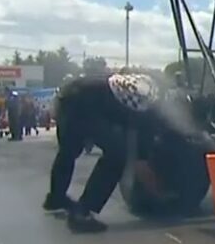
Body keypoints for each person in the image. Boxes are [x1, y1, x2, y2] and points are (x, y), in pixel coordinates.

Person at [43, 72, 166, 233]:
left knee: (69, 150)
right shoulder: (149, 111)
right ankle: (83, 213)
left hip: (69, 93)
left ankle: (56, 198)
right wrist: (158, 194)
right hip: (87, 103)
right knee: (118, 155)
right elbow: (140, 164)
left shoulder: (141, 82)